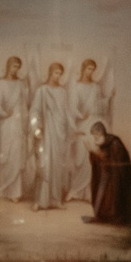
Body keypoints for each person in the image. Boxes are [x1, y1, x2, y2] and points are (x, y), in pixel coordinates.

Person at [0, 55, 33, 202]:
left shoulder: (20, 84)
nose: (16, 69)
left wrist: (27, 87)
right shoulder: (0, 84)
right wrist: (5, 113)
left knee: (17, 155)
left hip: (18, 124)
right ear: (8, 66)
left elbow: (26, 102)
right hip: (6, 124)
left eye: (18, 67)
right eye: (14, 66)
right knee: (5, 156)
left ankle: (15, 192)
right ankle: (0, 189)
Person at [65, 58, 111, 203]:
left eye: (93, 69)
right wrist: (80, 115)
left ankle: (88, 193)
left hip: (93, 123)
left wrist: (109, 98)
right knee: (80, 158)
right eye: (88, 69)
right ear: (83, 69)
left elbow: (100, 105)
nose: (90, 72)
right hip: (81, 124)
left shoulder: (96, 87)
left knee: (91, 158)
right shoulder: (76, 86)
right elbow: (72, 106)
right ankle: (75, 190)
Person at [32, 60, 73, 210]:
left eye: (61, 74)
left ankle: (56, 200)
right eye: (56, 73)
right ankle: (39, 200)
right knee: (44, 164)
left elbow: (66, 112)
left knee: (57, 166)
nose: (58, 76)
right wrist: (37, 129)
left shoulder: (62, 92)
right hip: (46, 131)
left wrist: (71, 128)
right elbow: (35, 111)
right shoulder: (42, 90)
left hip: (59, 132)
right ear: (50, 73)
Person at [84, 119, 131, 225]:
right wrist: (93, 153)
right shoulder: (104, 144)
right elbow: (100, 162)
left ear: (101, 133)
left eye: (96, 136)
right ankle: (103, 214)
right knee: (102, 195)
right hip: (106, 177)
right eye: (94, 137)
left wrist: (95, 153)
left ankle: (113, 215)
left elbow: (113, 163)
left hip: (116, 178)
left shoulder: (115, 143)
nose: (95, 139)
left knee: (111, 197)